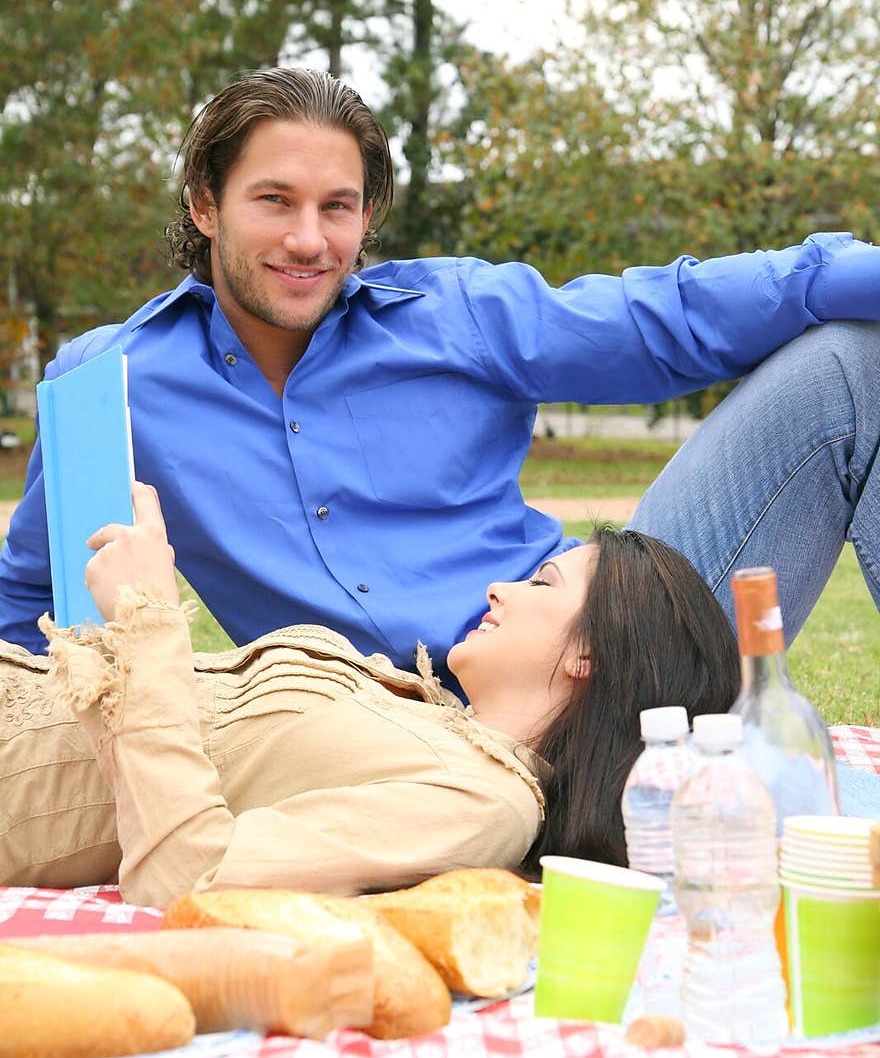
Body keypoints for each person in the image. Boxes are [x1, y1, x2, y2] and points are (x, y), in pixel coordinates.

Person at [0, 67, 878, 690]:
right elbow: (31, 606)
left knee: (854, 363)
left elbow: (670, 316)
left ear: (366, 214)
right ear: (204, 204)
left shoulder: (456, 314)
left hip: (608, 663)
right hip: (384, 750)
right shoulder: (105, 384)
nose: (310, 239)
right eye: (274, 200)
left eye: (337, 207)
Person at [0, 484, 738, 908]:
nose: (499, 587)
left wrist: (150, 614)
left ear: (590, 651)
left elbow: (193, 878)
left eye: (543, 582)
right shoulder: (436, 722)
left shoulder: (488, 802)